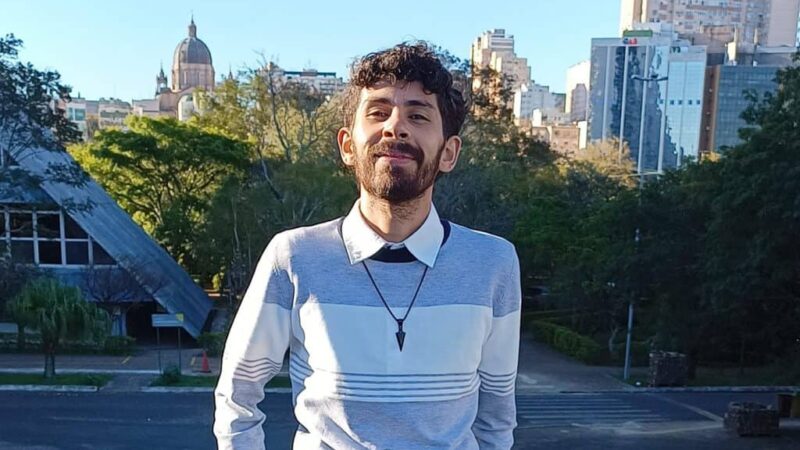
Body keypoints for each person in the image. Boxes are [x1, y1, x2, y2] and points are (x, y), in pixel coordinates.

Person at [214, 42, 521, 449]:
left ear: (449, 153)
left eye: (417, 115)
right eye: (378, 112)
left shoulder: (493, 262)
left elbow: (497, 413)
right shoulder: (294, 257)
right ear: (347, 146)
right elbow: (237, 393)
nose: (395, 127)